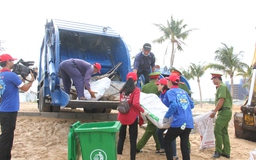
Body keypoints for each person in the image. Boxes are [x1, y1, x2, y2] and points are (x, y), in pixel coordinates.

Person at [0, 53, 35, 160]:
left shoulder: (4, 75)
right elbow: (24, 89)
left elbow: (18, 85)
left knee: (7, 135)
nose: (13, 63)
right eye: (11, 61)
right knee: (7, 136)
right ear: (7, 62)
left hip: (3, 110)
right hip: (9, 111)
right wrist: (32, 79)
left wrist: (23, 77)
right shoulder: (11, 75)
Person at [163, 74, 194, 160]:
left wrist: (166, 116)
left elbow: (174, 105)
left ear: (170, 82)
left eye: (167, 80)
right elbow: (191, 105)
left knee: (167, 141)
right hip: (188, 123)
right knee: (184, 145)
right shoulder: (184, 92)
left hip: (179, 122)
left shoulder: (170, 92)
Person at [117, 72, 147, 160]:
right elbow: (135, 103)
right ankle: (132, 157)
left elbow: (121, 102)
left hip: (122, 116)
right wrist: (143, 111)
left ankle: (119, 155)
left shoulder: (122, 89)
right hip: (132, 116)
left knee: (121, 136)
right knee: (133, 138)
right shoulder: (136, 90)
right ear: (135, 80)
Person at [136, 72, 161, 153]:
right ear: (157, 78)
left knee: (153, 128)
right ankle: (138, 147)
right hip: (155, 111)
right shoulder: (158, 86)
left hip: (146, 110)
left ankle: (159, 146)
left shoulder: (144, 86)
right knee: (150, 129)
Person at [209, 73, 232, 159]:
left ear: (217, 78)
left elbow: (221, 100)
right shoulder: (222, 86)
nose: (213, 81)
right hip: (226, 112)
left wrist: (214, 112)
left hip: (224, 112)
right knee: (224, 132)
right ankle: (226, 152)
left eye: (213, 79)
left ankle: (218, 151)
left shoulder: (221, 87)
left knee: (217, 130)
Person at [156, 78, 178, 160]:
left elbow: (172, 106)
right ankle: (163, 148)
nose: (157, 86)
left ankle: (174, 154)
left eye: (159, 84)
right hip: (165, 117)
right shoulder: (161, 95)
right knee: (158, 131)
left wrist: (168, 116)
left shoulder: (168, 94)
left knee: (171, 135)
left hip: (170, 117)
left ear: (163, 85)